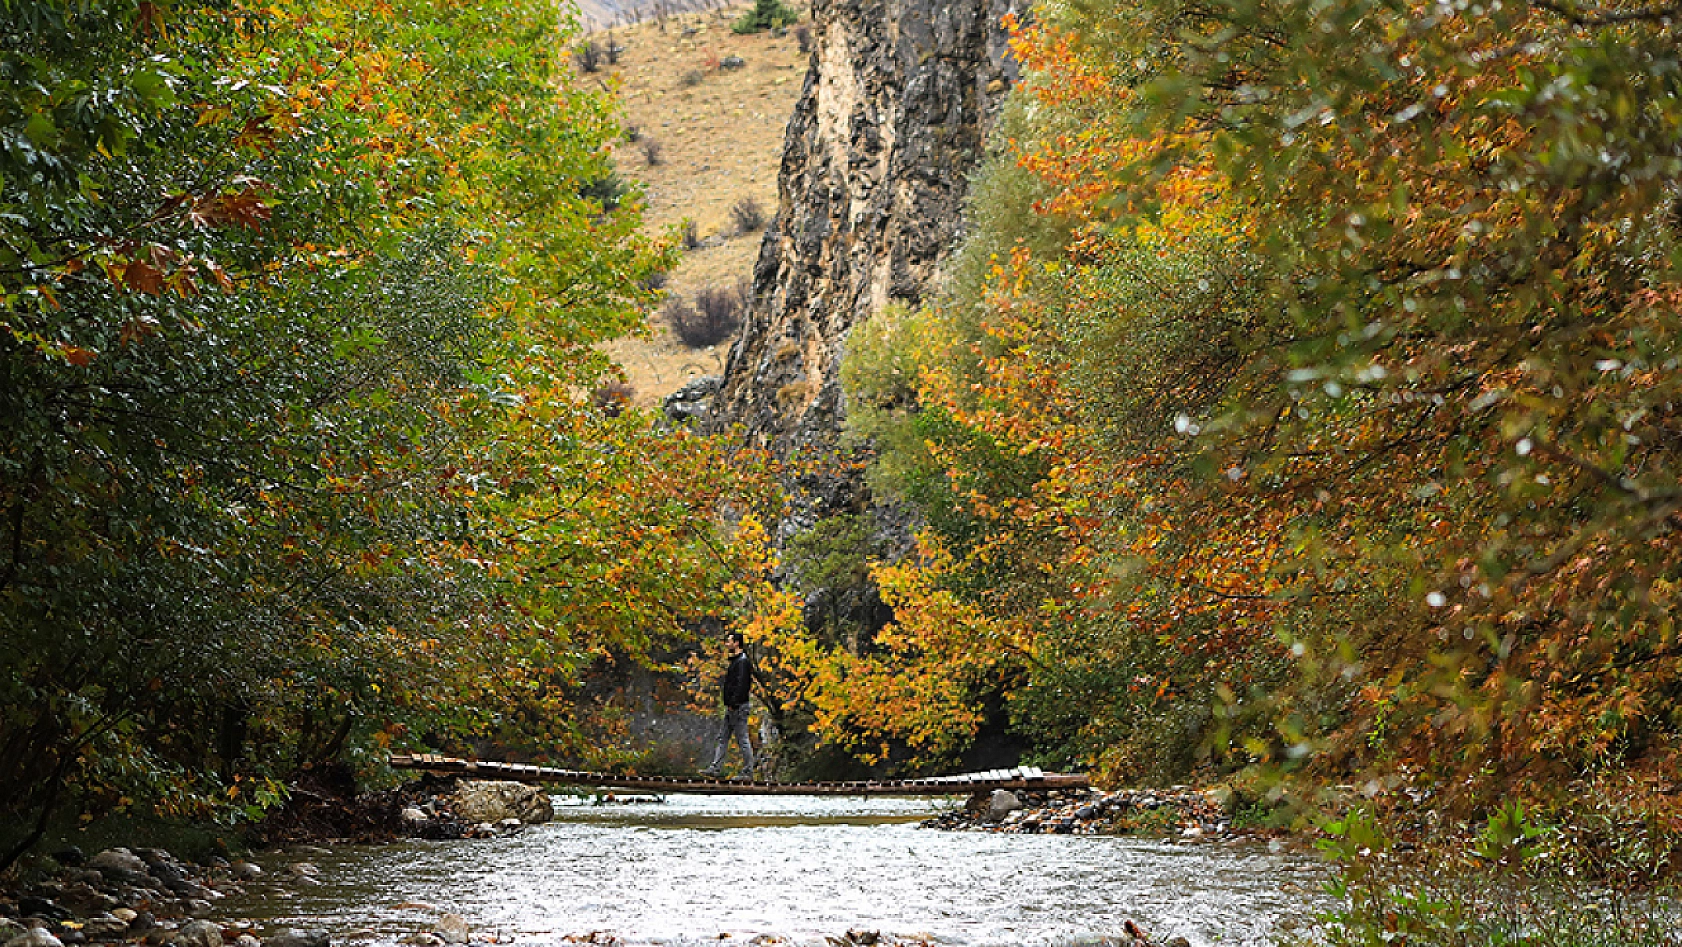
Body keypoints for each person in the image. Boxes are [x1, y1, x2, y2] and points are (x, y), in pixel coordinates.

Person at [701, 632, 757, 778]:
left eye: (729, 641)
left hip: (738, 707)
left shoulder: (742, 662)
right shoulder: (737, 661)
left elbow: (742, 685)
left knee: (742, 738)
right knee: (723, 737)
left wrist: (734, 703)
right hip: (732, 707)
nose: (727, 644)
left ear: (736, 643)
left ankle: (748, 771)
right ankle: (715, 768)